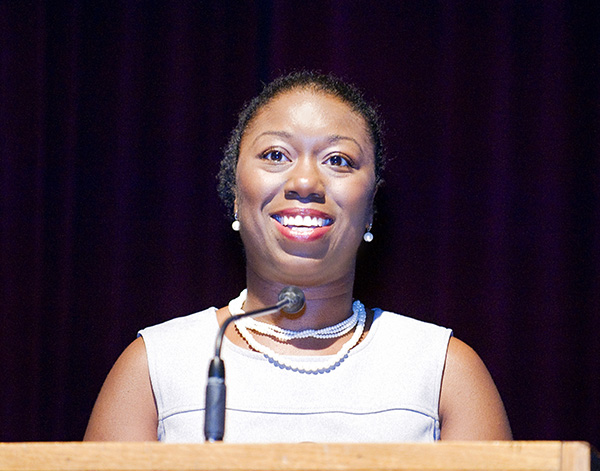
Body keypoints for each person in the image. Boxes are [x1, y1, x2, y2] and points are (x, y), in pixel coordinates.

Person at [84, 71, 512, 442]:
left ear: (371, 208)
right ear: (235, 194)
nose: (305, 181)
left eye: (338, 160)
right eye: (275, 155)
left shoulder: (443, 372)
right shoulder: (156, 366)